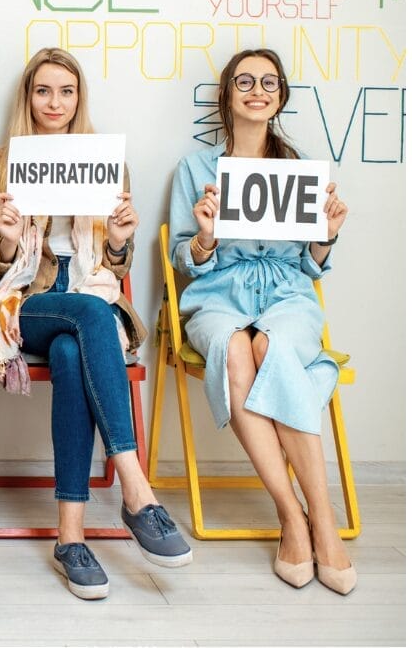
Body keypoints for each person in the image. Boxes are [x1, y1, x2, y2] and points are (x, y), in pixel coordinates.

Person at [0, 47, 192, 600]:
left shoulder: (107, 163)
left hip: (89, 291)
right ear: (28, 97)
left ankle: (71, 538)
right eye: (43, 90)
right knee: (91, 315)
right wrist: (5, 236)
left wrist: (118, 240)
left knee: (75, 351)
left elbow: (116, 262)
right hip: (28, 300)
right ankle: (136, 487)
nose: (55, 102)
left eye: (66, 91)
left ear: (79, 98)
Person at [169, 48, 354, 595]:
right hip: (217, 292)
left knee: (269, 348)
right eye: (244, 80)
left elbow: (309, 264)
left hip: (287, 294)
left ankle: (321, 520)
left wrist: (324, 236)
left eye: (269, 82)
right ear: (227, 93)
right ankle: (293, 517)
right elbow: (183, 257)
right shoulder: (195, 169)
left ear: (280, 97)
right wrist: (205, 236)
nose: (257, 89)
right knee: (234, 348)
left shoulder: (298, 170)